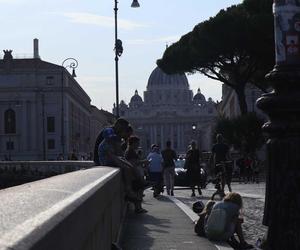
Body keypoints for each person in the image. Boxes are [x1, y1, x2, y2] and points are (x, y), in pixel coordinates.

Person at [124, 135, 149, 213]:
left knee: (139, 190)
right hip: (134, 175)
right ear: (133, 143)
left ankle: (138, 207)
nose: (138, 145)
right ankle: (138, 208)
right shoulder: (130, 151)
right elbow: (132, 163)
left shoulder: (130, 151)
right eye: (137, 143)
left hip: (134, 174)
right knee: (139, 191)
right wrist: (144, 161)